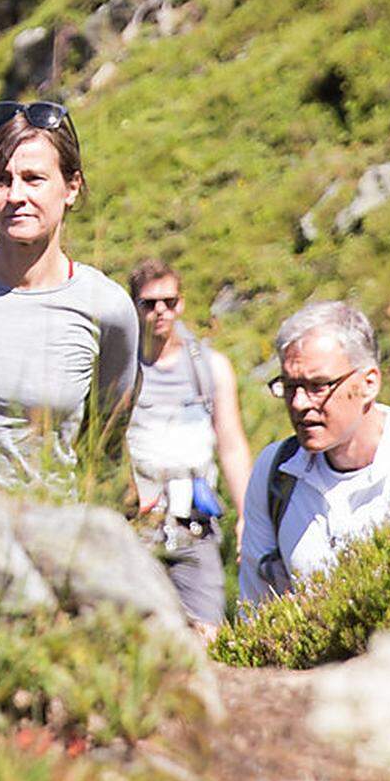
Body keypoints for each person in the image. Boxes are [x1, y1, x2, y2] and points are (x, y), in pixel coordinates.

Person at [0, 102, 139, 495]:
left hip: (50, 536)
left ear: (71, 187)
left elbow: (106, 446)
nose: (16, 195)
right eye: (1, 179)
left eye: (34, 179)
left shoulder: (107, 308)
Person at [238, 300, 390, 605]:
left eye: (318, 386)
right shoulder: (275, 473)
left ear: (369, 383)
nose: (300, 403)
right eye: (290, 386)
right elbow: (256, 609)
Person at [125, 259, 252, 631]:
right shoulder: (121, 368)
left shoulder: (212, 368)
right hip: (138, 526)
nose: (160, 311)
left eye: (169, 301)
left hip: (194, 525)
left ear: (181, 304)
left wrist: (248, 516)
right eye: (149, 303)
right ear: (134, 307)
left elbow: (231, 445)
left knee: (208, 632)